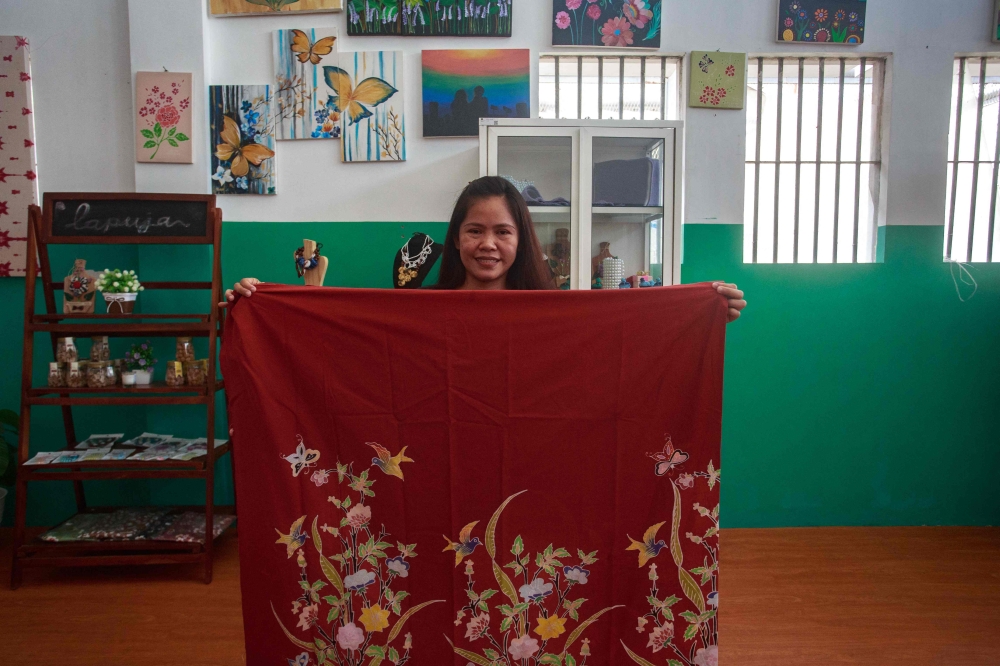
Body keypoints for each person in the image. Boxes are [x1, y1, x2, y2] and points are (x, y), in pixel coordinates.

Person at [220, 176, 747, 321]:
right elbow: (339, 349)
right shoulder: (421, 311)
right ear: (456, 238)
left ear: (522, 238)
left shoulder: (555, 313)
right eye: (475, 231)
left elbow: (629, 338)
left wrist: (699, 315)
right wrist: (259, 303)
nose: (488, 244)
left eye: (503, 232)